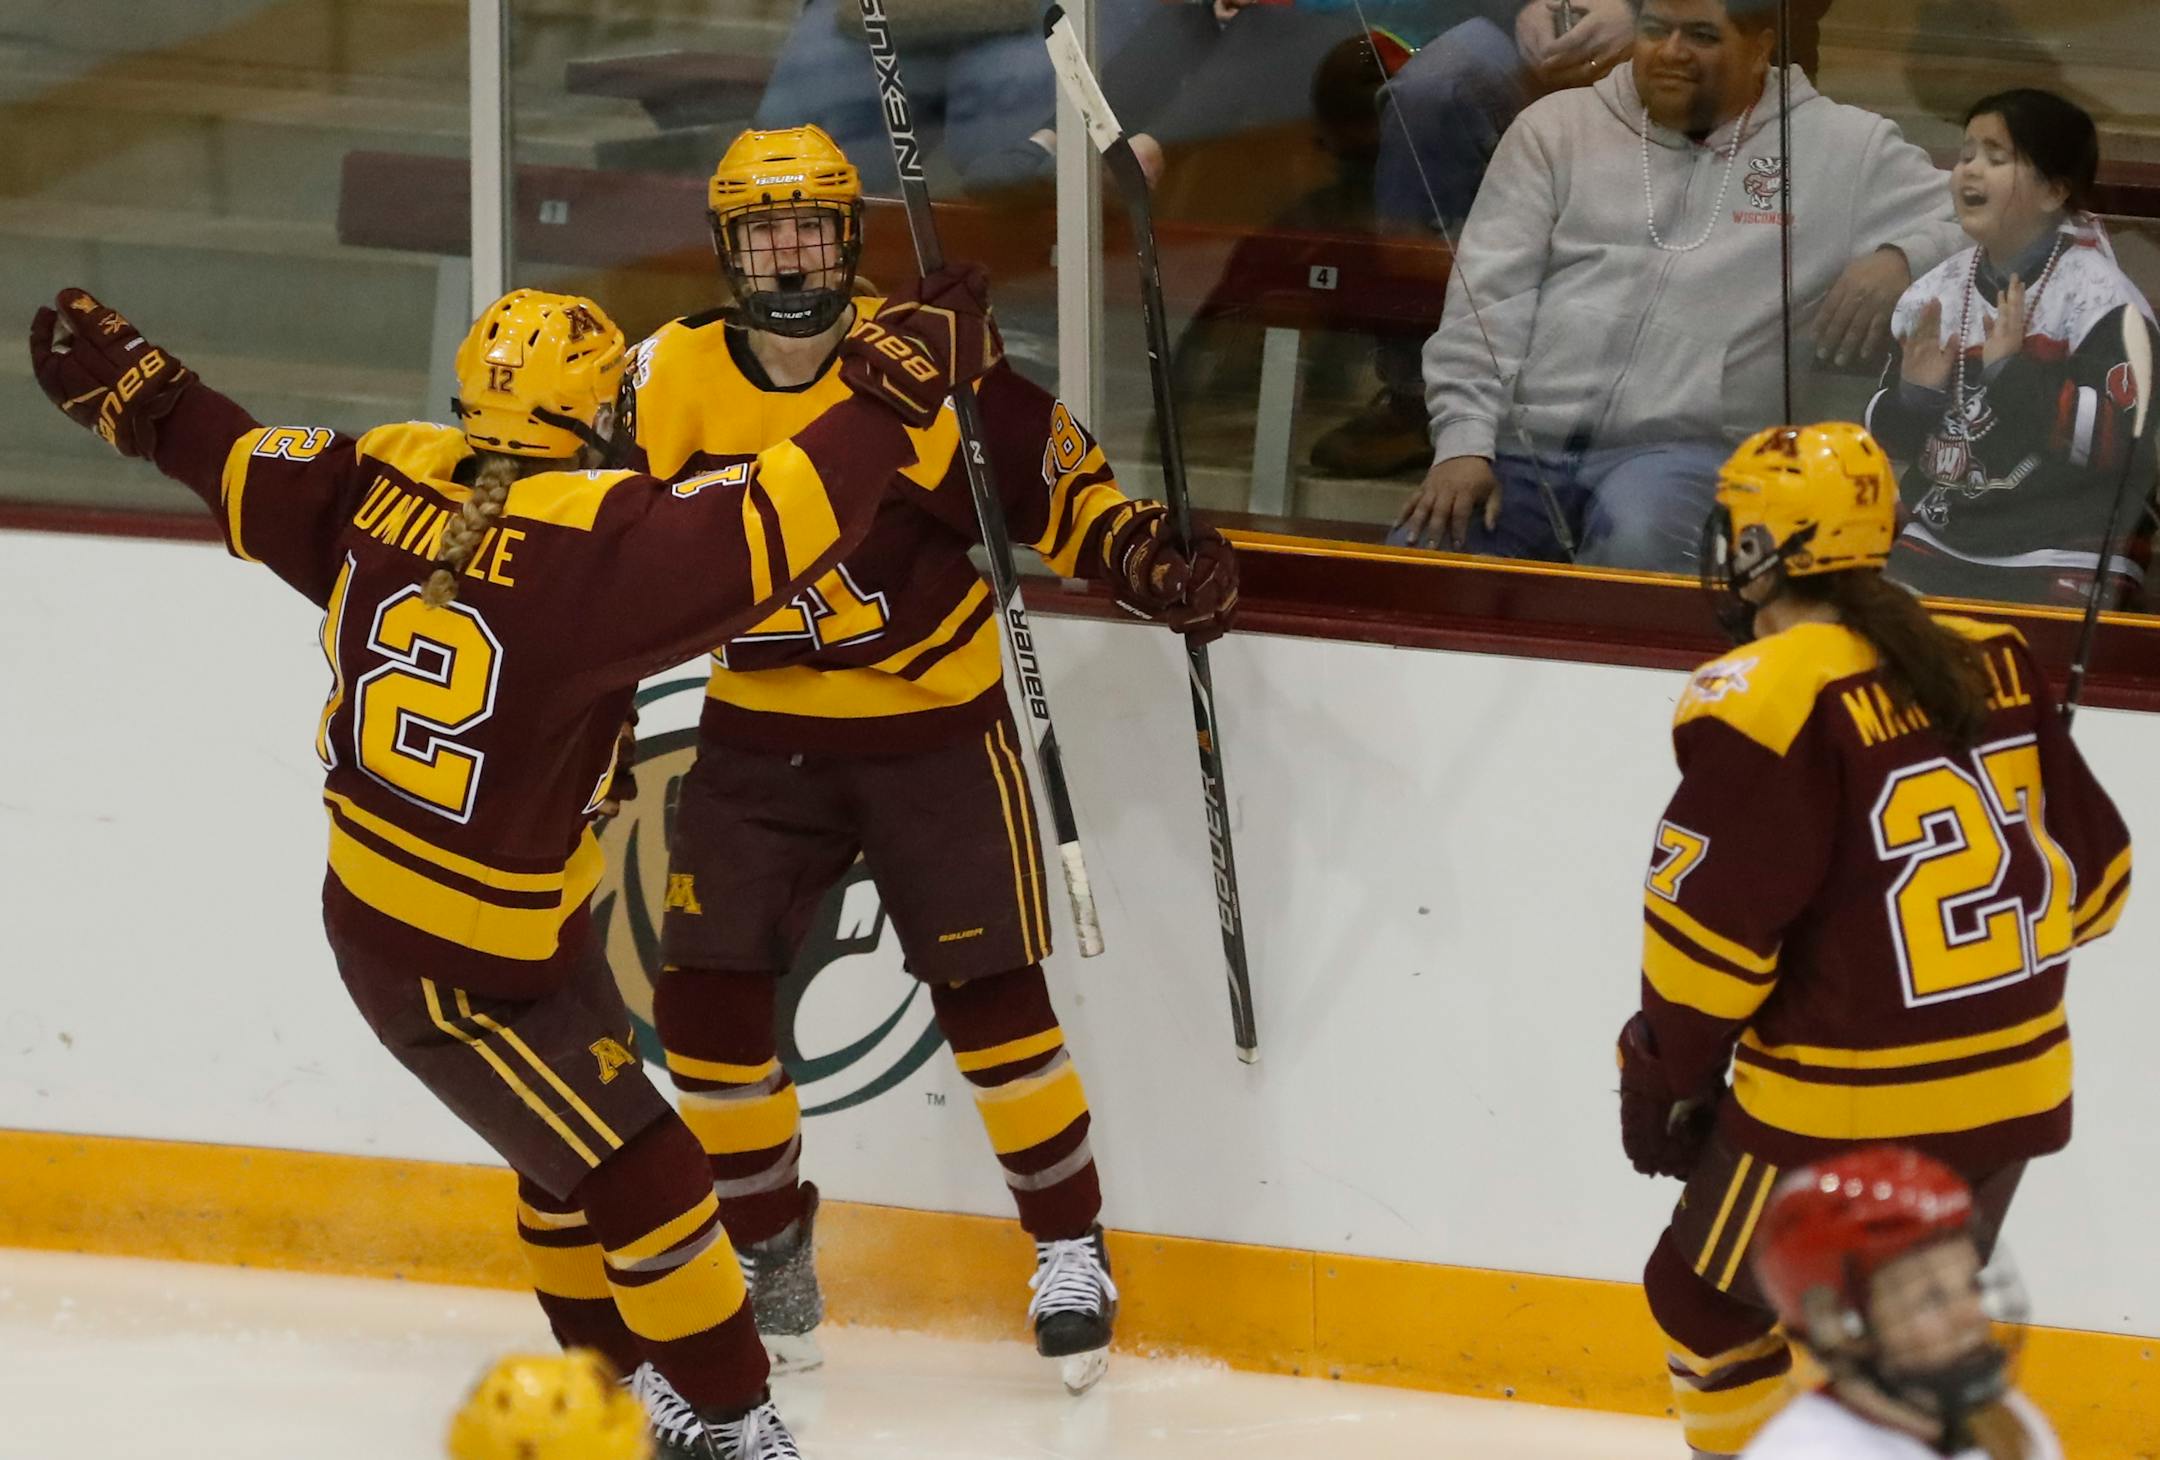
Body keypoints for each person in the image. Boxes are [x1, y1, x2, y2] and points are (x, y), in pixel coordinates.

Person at [26, 272, 997, 1460]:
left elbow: (234, 460)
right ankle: (734, 1422)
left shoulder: (382, 472)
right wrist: (891, 394)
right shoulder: (603, 550)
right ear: (591, 418)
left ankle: (630, 1383)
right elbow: (785, 518)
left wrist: (151, 403)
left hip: (474, 919)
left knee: (564, 1167)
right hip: (456, 972)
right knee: (654, 1175)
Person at [615, 125, 1239, 1397]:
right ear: (727, 246)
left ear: (851, 239)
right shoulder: (665, 375)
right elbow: (593, 535)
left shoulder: (935, 356)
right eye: (761, 231)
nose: (788, 254)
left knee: (994, 1006)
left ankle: (1071, 1248)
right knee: (706, 1018)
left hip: (933, 731)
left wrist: (1147, 563)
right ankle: (769, 1242)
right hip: (758, 734)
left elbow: (1065, 493)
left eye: (810, 228)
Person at [1614, 422, 2129, 1456]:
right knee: (1913, 1344)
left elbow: (1710, 941)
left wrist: (1665, 1065)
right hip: (2016, 1090)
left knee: (1703, 1304)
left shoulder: (1767, 693)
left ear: (1761, 548)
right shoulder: (1997, 656)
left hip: (1839, 1100)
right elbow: (2100, 880)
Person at [1392, 0, 1964, 570]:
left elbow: (2001, 221)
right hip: (1523, 449)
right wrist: (1463, 441)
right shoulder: (1556, 128)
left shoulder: (1842, 146)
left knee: (1639, 543)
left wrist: (1903, 257)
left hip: (1691, 456)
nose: (1671, 52)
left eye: (1701, 36)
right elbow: (1485, 300)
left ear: (1761, 48)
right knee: (1419, 559)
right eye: (1655, 30)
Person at [1868, 89, 2157, 607]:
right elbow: (1885, 438)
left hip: (2067, 546)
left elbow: (2121, 442)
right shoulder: (1932, 295)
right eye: (1965, 155)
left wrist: (2009, 373)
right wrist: (1914, 398)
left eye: (1996, 158)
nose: (1970, 171)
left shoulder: (2103, 301)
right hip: (1942, 534)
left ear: (2054, 191)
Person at [1746, 1147, 2062, 1460]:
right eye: (1931, 1299)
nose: (1972, 1313)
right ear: (1836, 1326)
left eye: (1971, 1285)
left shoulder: (2011, 1422)